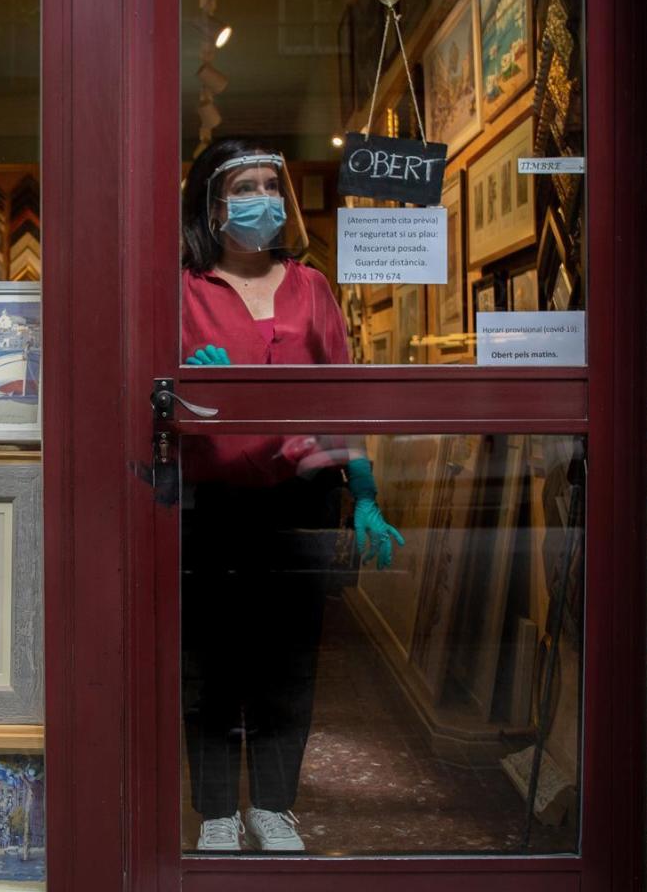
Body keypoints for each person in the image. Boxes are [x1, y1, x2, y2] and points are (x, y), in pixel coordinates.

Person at [178, 139, 404, 854]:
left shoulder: (312, 287)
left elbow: (343, 399)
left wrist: (364, 494)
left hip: (300, 500)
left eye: (271, 186)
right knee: (213, 664)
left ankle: (274, 807)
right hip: (212, 506)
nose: (262, 200)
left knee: (289, 662)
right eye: (244, 187)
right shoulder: (180, 289)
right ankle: (218, 810)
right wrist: (186, 381)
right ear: (212, 206)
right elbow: (149, 397)